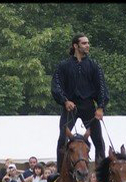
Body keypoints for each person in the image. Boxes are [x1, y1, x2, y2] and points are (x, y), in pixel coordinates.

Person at [51, 33, 109, 172]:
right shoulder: (64, 65)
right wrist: (65, 101)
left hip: (88, 105)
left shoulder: (94, 65)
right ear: (75, 46)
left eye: (88, 43)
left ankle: (101, 175)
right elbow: (56, 85)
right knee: (62, 139)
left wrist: (100, 107)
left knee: (98, 141)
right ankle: (60, 172)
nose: (87, 45)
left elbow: (101, 87)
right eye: (84, 43)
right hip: (70, 106)